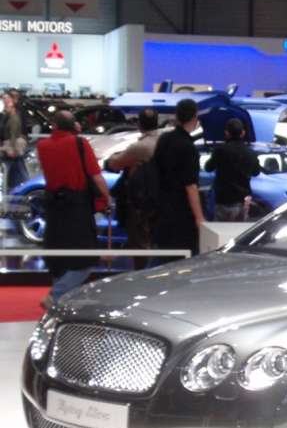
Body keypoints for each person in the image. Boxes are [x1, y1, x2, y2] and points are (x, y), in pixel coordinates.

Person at [37, 111, 111, 308]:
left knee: (59, 256)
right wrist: (107, 197)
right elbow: (95, 176)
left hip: (54, 206)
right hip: (77, 207)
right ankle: (56, 295)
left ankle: (61, 303)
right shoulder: (79, 143)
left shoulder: (42, 146)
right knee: (86, 258)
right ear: (74, 125)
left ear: (54, 125)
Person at [105, 108, 160, 270]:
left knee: (140, 242)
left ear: (139, 125)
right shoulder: (164, 142)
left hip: (141, 201)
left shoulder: (139, 147)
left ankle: (143, 275)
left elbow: (115, 163)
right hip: (161, 199)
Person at [152, 98, 205, 259]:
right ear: (195, 117)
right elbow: (191, 186)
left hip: (161, 208)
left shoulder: (164, 139)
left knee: (163, 255)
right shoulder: (188, 147)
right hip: (181, 214)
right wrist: (199, 218)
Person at [205, 118, 261, 221]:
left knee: (220, 229)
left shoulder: (220, 151)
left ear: (227, 133)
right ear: (243, 133)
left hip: (223, 199)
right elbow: (256, 172)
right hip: (242, 201)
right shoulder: (250, 153)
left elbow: (208, 168)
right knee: (239, 230)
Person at [1, 90, 28, 190]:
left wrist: (12, 148)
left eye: (6, 99)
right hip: (11, 149)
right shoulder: (7, 116)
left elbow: (14, 134)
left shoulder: (14, 117)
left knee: (13, 171)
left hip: (11, 149)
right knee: (19, 172)